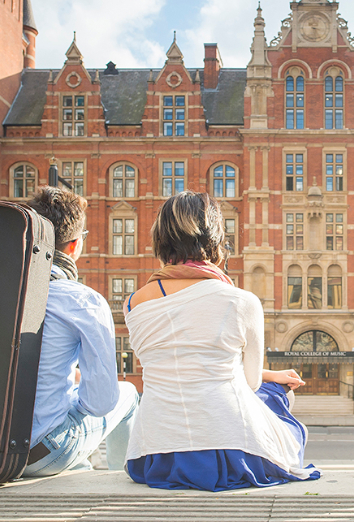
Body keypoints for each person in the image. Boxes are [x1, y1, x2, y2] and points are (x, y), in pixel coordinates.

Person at [123, 191, 320, 491]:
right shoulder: (242, 301)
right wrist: (273, 378)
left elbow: (181, 360)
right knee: (276, 393)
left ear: (161, 241)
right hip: (230, 453)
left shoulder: (133, 303)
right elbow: (251, 383)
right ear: (215, 239)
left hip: (152, 455)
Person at [23, 186, 139, 477]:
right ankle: (119, 478)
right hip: (40, 453)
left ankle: (80, 470)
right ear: (74, 245)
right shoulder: (83, 301)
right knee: (127, 393)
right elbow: (100, 404)